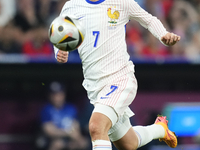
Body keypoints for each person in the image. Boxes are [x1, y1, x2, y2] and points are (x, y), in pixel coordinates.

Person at [52, 0, 181, 150]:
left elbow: (149, 20)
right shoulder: (71, 6)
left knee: (96, 125)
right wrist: (59, 51)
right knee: (128, 143)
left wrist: (163, 35)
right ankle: (160, 129)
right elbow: (59, 35)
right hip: (96, 88)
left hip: (120, 79)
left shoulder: (121, 2)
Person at [40, 82, 88, 150]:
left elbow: (75, 126)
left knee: (83, 143)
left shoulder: (71, 108)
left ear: (63, 94)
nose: (57, 97)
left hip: (70, 138)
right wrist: (67, 133)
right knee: (57, 144)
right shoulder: (46, 110)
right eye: (54, 95)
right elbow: (48, 130)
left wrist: (77, 138)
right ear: (50, 96)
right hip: (53, 139)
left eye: (59, 94)